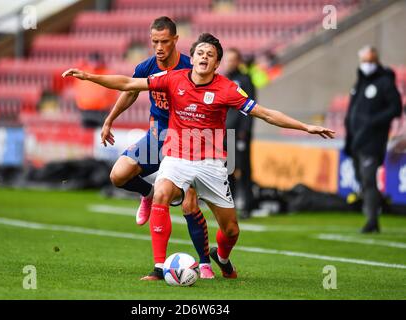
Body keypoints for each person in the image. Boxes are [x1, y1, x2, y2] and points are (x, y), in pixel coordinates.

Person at [62, 33, 335, 280]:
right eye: (200, 53)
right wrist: (89, 77)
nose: (204, 57)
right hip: (177, 155)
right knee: (161, 193)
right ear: (191, 59)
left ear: (217, 64)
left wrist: (305, 126)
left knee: (231, 231)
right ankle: (159, 268)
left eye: (210, 55)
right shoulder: (172, 79)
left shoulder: (227, 88)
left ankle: (221, 258)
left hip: (212, 164)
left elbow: (265, 113)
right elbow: (128, 83)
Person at [99, 17, 214, 279]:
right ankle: (148, 194)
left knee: (189, 204)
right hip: (156, 136)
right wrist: (109, 120)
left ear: (175, 40)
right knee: (118, 175)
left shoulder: (189, 66)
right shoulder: (146, 67)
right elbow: (129, 92)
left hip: (186, 140)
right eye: (154, 42)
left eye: (164, 41)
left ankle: (205, 262)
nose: (159, 47)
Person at [344, 45, 403, 233]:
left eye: (370, 61)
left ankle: (372, 220)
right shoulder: (360, 82)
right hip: (356, 140)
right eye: (364, 61)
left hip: (372, 141)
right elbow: (352, 112)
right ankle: (375, 208)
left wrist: (373, 121)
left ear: (376, 61)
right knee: (362, 180)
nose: (367, 65)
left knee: (369, 179)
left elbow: (396, 108)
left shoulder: (384, 83)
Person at [223, 48, 256, 219]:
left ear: (238, 61)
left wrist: (245, 130)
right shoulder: (222, 79)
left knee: (243, 170)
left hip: (240, 133)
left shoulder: (245, 80)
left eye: (232, 59)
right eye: (227, 60)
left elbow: (250, 107)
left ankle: (248, 205)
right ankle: (230, 205)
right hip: (225, 133)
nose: (229, 63)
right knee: (228, 170)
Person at [74, 52, 117, 128]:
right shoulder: (83, 72)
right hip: (85, 110)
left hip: (102, 111)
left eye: (96, 61)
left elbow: (113, 93)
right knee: (87, 135)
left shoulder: (107, 73)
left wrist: (107, 105)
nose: (94, 64)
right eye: (92, 61)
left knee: (101, 135)